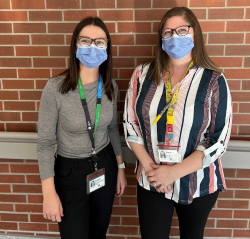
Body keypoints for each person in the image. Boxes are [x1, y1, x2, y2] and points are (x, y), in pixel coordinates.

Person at [123, 7, 232, 239]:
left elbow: (218, 140)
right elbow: (130, 124)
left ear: (195, 33)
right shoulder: (142, 75)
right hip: (151, 179)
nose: (174, 36)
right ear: (161, 37)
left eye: (182, 30)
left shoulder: (214, 80)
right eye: (168, 31)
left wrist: (173, 174)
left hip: (197, 180)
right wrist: (155, 173)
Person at [37, 17, 126, 239]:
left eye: (99, 41)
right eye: (85, 40)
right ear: (75, 44)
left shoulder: (109, 86)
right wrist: (48, 193)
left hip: (104, 165)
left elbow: (112, 130)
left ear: (107, 47)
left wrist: (121, 168)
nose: (92, 46)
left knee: (98, 233)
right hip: (71, 173)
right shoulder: (55, 88)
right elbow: (46, 143)